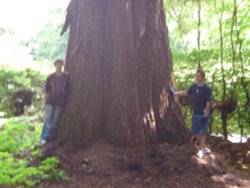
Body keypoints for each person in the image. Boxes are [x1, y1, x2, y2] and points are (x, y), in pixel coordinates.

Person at [170, 69, 212, 158]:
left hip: (203, 114)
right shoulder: (194, 86)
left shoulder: (207, 89)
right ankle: (204, 148)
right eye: (196, 76)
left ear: (203, 77)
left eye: (199, 76)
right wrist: (175, 93)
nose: (197, 77)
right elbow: (186, 92)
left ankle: (201, 150)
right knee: (195, 133)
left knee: (202, 132)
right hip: (195, 113)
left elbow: (209, 101)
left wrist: (206, 112)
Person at [40, 59, 70, 145]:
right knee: (48, 118)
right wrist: (44, 101)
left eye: (60, 64)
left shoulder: (66, 77)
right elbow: (46, 90)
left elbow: (67, 89)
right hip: (50, 101)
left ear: (62, 66)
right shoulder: (50, 77)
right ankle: (43, 137)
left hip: (59, 102)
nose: (59, 66)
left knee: (54, 120)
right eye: (57, 64)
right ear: (55, 65)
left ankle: (48, 137)